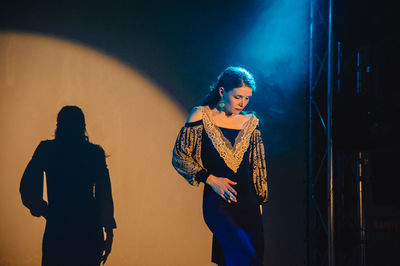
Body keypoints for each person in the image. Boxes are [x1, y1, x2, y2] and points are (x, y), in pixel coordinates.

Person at [172, 67, 268, 266]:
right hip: (218, 203)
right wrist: (211, 180)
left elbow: (258, 168)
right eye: (238, 97)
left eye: (247, 98)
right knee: (243, 256)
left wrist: (258, 204)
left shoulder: (251, 123)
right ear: (222, 91)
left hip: (249, 206)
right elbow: (180, 157)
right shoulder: (201, 116)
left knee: (244, 260)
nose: (243, 103)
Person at [20, 106, 116, 266]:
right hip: (88, 234)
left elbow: (27, 188)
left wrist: (45, 211)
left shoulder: (47, 150)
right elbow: (104, 196)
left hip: (58, 233)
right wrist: (109, 233)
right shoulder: (94, 154)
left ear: (59, 126)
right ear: (83, 127)